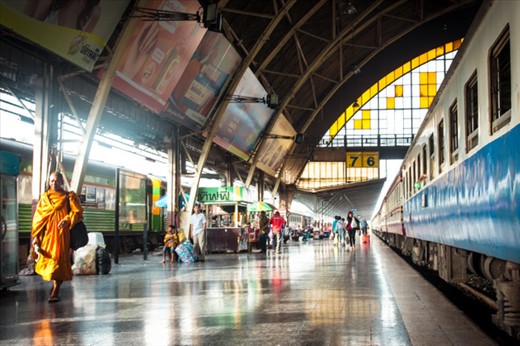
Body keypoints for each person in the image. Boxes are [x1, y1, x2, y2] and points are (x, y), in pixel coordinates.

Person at [31, 171, 83, 303]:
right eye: (52, 181)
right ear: (49, 182)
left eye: (57, 180)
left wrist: (67, 219)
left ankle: (55, 289)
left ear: (62, 182)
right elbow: (38, 218)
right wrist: (36, 236)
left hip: (61, 235)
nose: (54, 183)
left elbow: (77, 213)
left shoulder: (69, 197)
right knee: (48, 260)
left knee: (59, 261)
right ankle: (54, 285)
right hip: (47, 235)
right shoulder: (44, 198)